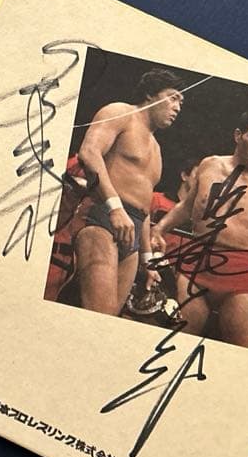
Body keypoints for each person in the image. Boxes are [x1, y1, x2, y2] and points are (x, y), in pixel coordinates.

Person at [151, 111, 248, 349]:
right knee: (177, 343)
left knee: (241, 351)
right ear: (238, 136)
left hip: (240, 270)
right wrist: (159, 228)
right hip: (196, 262)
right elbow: (187, 206)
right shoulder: (210, 165)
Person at [70, 69, 184, 316]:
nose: (177, 107)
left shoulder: (157, 149)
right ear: (151, 94)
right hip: (102, 218)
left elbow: (144, 207)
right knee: (98, 315)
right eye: (173, 97)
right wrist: (115, 208)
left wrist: (147, 260)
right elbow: (89, 152)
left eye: (181, 103)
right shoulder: (120, 112)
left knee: (111, 319)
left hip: (133, 231)